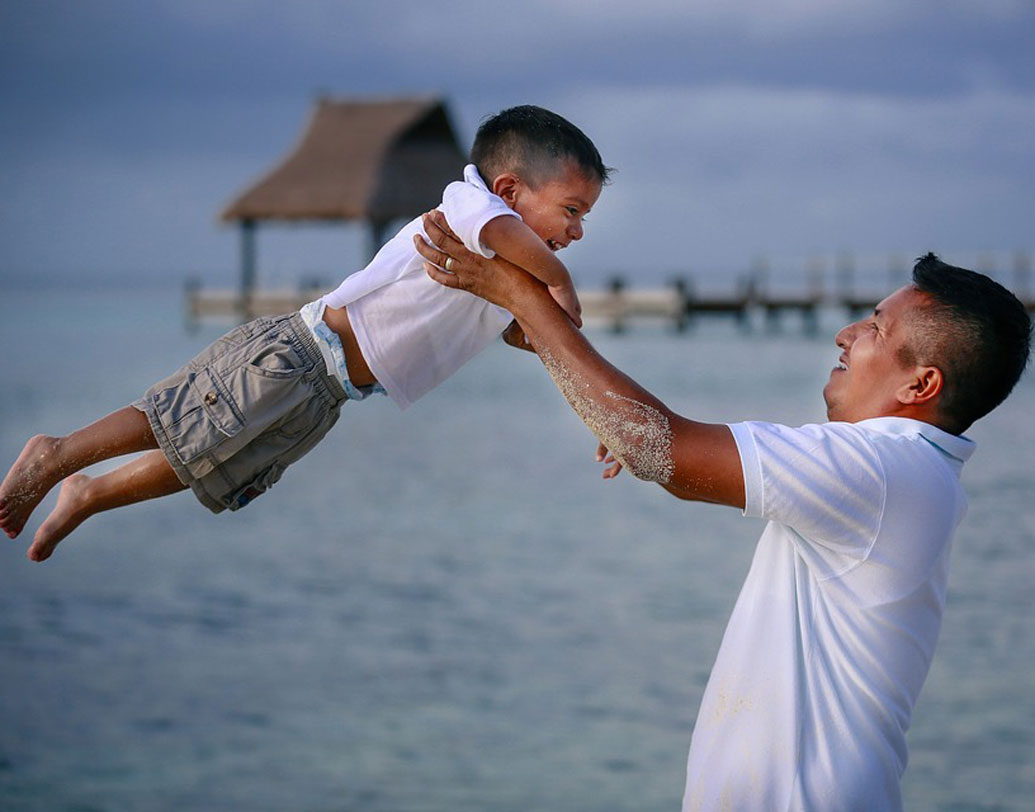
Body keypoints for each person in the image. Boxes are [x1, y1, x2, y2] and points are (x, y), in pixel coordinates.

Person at [414, 218, 1031, 811]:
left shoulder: (883, 468)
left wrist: (522, 296)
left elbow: (664, 451)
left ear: (920, 386)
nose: (845, 334)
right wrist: (618, 419)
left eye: (875, 327)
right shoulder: (907, 472)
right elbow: (656, 444)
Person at [0, 105, 610, 562]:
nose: (577, 232)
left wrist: (602, 415)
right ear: (509, 189)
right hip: (297, 356)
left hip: (327, 396)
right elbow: (534, 271)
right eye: (572, 210)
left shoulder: (503, 273)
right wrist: (561, 286)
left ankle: (89, 494)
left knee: (208, 463)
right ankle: (60, 454)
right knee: (179, 419)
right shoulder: (473, 211)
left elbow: (539, 343)